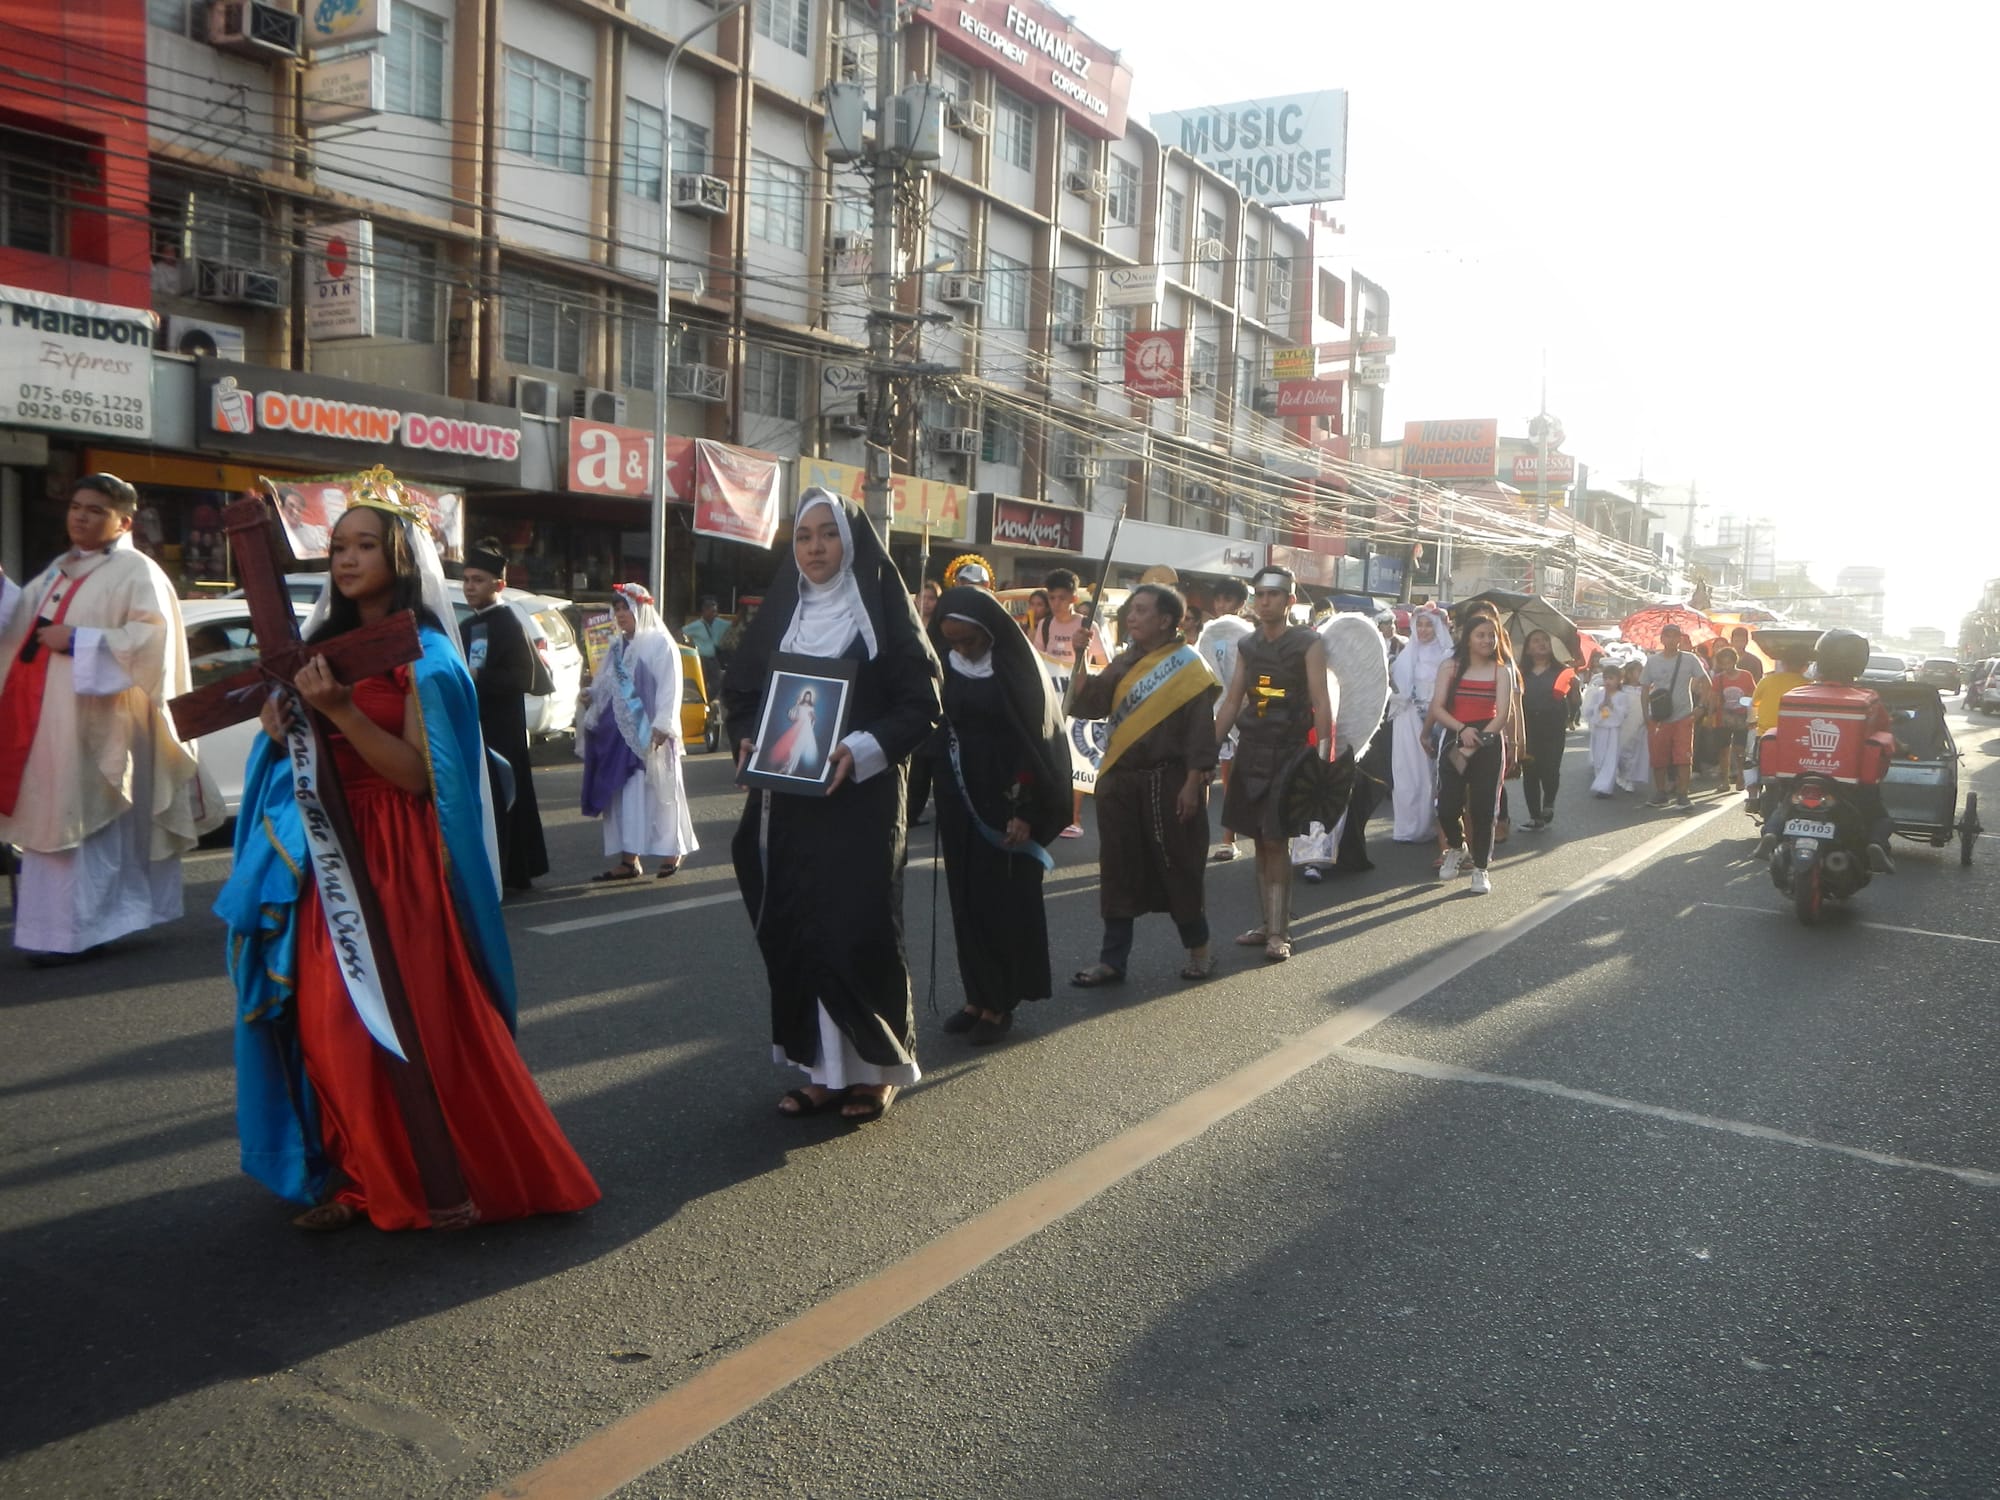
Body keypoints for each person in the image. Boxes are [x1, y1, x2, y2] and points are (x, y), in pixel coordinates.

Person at [218, 480, 599, 1231]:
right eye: (339, 546)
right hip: (328, 855)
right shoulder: (313, 652)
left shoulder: (424, 657)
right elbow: (298, 757)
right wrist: (281, 727)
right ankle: (360, 1175)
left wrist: (338, 711)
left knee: (414, 1021)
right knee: (330, 1025)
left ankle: (445, 1175)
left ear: (401, 555)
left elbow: (419, 778)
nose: (349, 558)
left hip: (397, 857)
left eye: (366, 544)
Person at [724, 489, 941, 1124]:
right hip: (786, 801)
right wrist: (746, 736)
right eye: (803, 537)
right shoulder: (779, 617)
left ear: (852, 542)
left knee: (858, 925)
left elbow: (921, 703)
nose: (815, 549)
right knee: (797, 924)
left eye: (827, 535)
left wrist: (863, 746)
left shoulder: (881, 615)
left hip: (861, 800)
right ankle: (819, 1070)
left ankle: (876, 1071)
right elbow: (742, 694)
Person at [0, 473, 221, 963]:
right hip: (51, 723)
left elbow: (152, 643)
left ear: (124, 520)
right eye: (76, 506)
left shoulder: (138, 572)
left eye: (95, 510)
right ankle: (54, 931)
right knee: (54, 819)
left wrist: (80, 640)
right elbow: (22, 623)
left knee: (93, 828)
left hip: (108, 729)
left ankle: (83, 929)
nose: (80, 515)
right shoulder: (60, 569)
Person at [923, 585, 1070, 1044]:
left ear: (988, 632)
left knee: (1001, 903)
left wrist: (1024, 810)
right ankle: (976, 995)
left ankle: (1001, 1003)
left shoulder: (1014, 667)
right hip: (959, 793)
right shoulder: (944, 663)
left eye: (968, 640)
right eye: (952, 641)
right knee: (965, 898)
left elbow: (1032, 742)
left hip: (1007, 798)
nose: (961, 649)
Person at [1067, 584, 1219, 986]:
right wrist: (1079, 657)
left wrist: (1192, 784)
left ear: (1166, 620)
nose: (1131, 617)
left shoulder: (1189, 667)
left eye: (1140, 610)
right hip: (1121, 781)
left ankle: (1199, 950)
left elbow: (1200, 734)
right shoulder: (1123, 661)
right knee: (1117, 868)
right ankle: (1112, 960)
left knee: (1179, 866)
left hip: (1168, 782)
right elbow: (1089, 705)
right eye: (1130, 610)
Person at [1212, 567, 1332, 961]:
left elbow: (1321, 701)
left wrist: (1323, 758)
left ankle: (1280, 932)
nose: (1265, 602)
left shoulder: (1308, 643)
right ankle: (1267, 923)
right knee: (1260, 840)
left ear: (1290, 601)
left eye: (1274, 595)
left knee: (1277, 839)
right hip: (1252, 749)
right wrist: (1206, 752)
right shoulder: (1247, 645)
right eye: (1260, 594)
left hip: (1289, 750)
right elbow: (1233, 701)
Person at [579, 582, 696, 880]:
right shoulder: (618, 646)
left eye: (624, 608)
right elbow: (606, 680)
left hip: (651, 731)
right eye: (616, 609)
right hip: (621, 734)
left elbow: (671, 686)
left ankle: (672, 851)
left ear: (640, 608)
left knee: (659, 791)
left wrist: (663, 724)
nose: (619, 614)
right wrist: (591, 693)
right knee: (624, 795)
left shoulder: (659, 643)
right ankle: (629, 860)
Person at [460, 541, 548, 892]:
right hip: (477, 723)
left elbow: (524, 677)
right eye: (466, 580)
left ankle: (512, 870)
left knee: (505, 795)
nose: (469, 587)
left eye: (477, 580)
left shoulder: (509, 622)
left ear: (498, 585)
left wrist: (482, 678)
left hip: (503, 728)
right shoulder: (468, 625)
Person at [1426, 612, 1515, 894]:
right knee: (1447, 805)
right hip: (1455, 739)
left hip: (1488, 743)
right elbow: (1438, 707)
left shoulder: (1502, 670)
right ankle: (1456, 845)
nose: (1488, 640)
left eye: (1492, 635)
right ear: (1467, 639)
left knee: (1484, 808)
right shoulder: (1450, 667)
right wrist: (1461, 730)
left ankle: (1480, 868)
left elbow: (1503, 715)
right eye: (1481, 635)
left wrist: (1476, 740)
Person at [1033, 568, 1109, 838]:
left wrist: (1083, 657)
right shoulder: (1044, 625)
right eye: (1052, 598)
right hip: (1051, 702)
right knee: (1050, 757)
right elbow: (1039, 662)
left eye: (1062, 598)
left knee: (1077, 759)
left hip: (1079, 701)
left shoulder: (1087, 627)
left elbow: (1105, 664)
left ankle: (1074, 819)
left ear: (1074, 599)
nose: (1056, 604)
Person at [1194, 576, 1253, 862]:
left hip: (1247, 715)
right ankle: (1227, 840)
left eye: (1228, 600)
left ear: (1241, 604)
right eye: (1218, 600)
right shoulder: (1208, 634)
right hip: (1215, 714)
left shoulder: (1251, 634)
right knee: (1224, 779)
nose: (1221, 605)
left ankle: (1272, 834)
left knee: (1250, 779)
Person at [1387, 605, 1452, 842]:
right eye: (1420, 624)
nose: (1424, 630)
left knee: (1431, 773)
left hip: (1438, 717)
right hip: (1407, 718)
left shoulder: (1448, 655)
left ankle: (1433, 824)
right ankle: (1407, 825)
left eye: (1429, 625)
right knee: (1406, 772)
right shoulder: (1406, 654)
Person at [1640, 623, 1711, 809]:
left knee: (1683, 757)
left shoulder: (1690, 659)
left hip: (1683, 716)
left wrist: (1701, 707)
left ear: (1680, 639)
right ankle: (1660, 792)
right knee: (1658, 757)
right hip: (1658, 717)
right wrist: (1646, 716)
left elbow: (1706, 683)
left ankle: (1683, 794)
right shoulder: (1652, 661)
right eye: (1667, 636)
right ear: (1661, 639)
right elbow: (1645, 689)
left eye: (1675, 636)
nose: (1671, 640)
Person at [1745, 638, 1812, 815]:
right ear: (1805, 665)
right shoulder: (1809, 686)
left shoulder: (1767, 681)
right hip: (1798, 741)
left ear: (1782, 663)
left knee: (1751, 764)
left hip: (1766, 737)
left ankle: (1752, 797)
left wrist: (1752, 721)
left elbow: (1754, 703)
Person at [1516, 629, 1574, 830]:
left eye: (1545, 641)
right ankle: (1535, 816)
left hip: (1553, 727)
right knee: (1530, 771)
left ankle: (1548, 802)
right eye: (1536, 641)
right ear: (1528, 649)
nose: (1541, 644)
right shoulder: (1519, 672)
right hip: (1528, 726)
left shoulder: (1562, 671)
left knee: (1550, 769)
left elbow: (1575, 698)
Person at [906, 580, 941, 825]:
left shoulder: (941, 627)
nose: (925, 602)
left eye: (931, 598)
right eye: (922, 597)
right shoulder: (908, 623)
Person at [1708, 645, 1757, 794]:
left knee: (1740, 749)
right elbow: (1714, 698)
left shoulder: (1746, 676)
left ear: (1735, 661)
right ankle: (1724, 780)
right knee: (1723, 750)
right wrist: (1710, 715)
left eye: (1729, 662)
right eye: (1723, 663)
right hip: (1723, 717)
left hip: (1741, 717)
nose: (1726, 665)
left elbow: (1752, 695)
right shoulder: (1718, 679)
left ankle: (1741, 776)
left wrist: (1752, 716)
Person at [1582, 662, 1627, 797]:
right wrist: (1599, 707)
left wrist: (1613, 706)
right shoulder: (1598, 694)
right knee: (1599, 756)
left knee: (1610, 757)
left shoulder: (1622, 696)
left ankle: (1605, 787)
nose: (1608, 681)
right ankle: (1599, 782)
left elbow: (1624, 713)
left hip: (1613, 730)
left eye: (1611, 678)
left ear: (1619, 680)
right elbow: (1589, 711)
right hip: (1600, 728)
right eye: (1606, 678)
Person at [1615, 660, 1651, 792]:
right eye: (1639, 671)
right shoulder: (1623, 691)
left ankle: (1629, 777)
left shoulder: (1645, 690)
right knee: (1622, 749)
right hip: (1625, 725)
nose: (1642, 674)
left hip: (1640, 725)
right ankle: (1619, 773)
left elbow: (1648, 705)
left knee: (1635, 751)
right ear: (1629, 674)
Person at [684, 594, 730, 696]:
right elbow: (681, 632)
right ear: (705, 610)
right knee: (701, 681)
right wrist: (688, 645)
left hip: (713, 658)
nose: (714, 614)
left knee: (717, 683)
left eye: (715, 611)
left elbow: (733, 625)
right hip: (701, 658)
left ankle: (708, 699)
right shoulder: (696, 625)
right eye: (712, 611)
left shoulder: (719, 623)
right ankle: (704, 701)